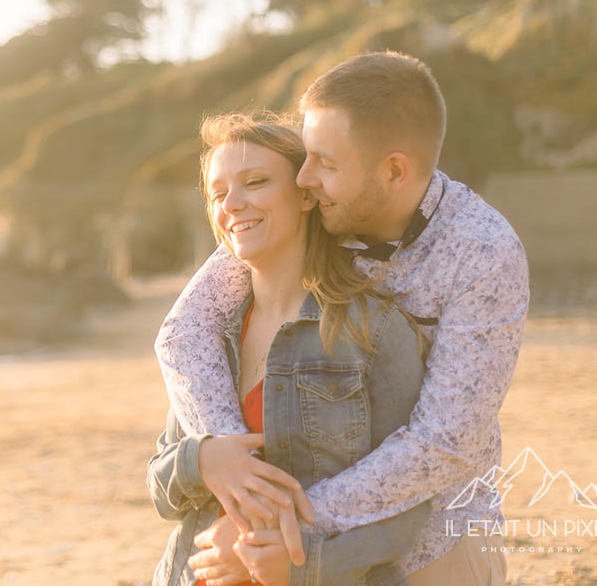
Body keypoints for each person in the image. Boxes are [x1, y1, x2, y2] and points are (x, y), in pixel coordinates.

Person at [155, 52, 526, 585]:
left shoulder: (482, 251)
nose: (304, 179)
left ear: (394, 171)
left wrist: (279, 523)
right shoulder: (317, 208)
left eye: (324, 163)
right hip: (285, 548)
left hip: (436, 537)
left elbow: (445, 442)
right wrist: (226, 467)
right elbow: (184, 332)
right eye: (306, 158)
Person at [148, 110, 431, 586]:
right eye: (218, 193)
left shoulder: (375, 332)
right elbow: (161, 488)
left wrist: (296, 564)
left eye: (255, 182)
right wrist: (203, 459)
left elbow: (406, 501)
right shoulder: (204, 340)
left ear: (305, 193)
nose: (232, 204)